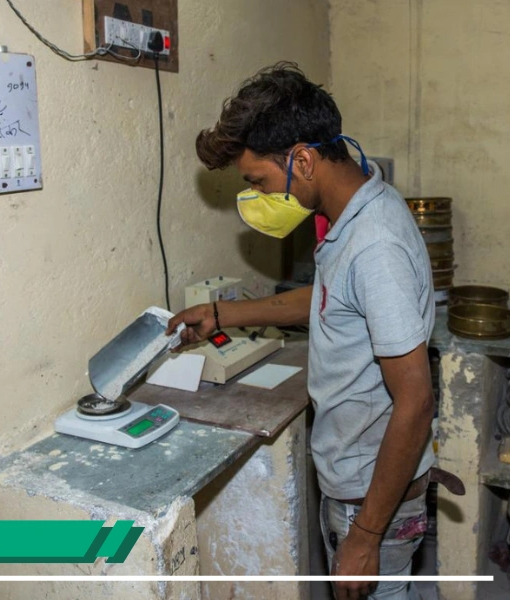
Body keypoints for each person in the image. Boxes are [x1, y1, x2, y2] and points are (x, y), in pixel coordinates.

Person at [167, 62, 460, 600]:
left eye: (258, 181)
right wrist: (222, 314)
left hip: (371, 496)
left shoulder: (374, 246)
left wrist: (365, 536)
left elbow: (416, 400)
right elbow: (331, 300)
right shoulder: (358, 212)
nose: (258, 195)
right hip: (363, 482)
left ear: (302, 160)